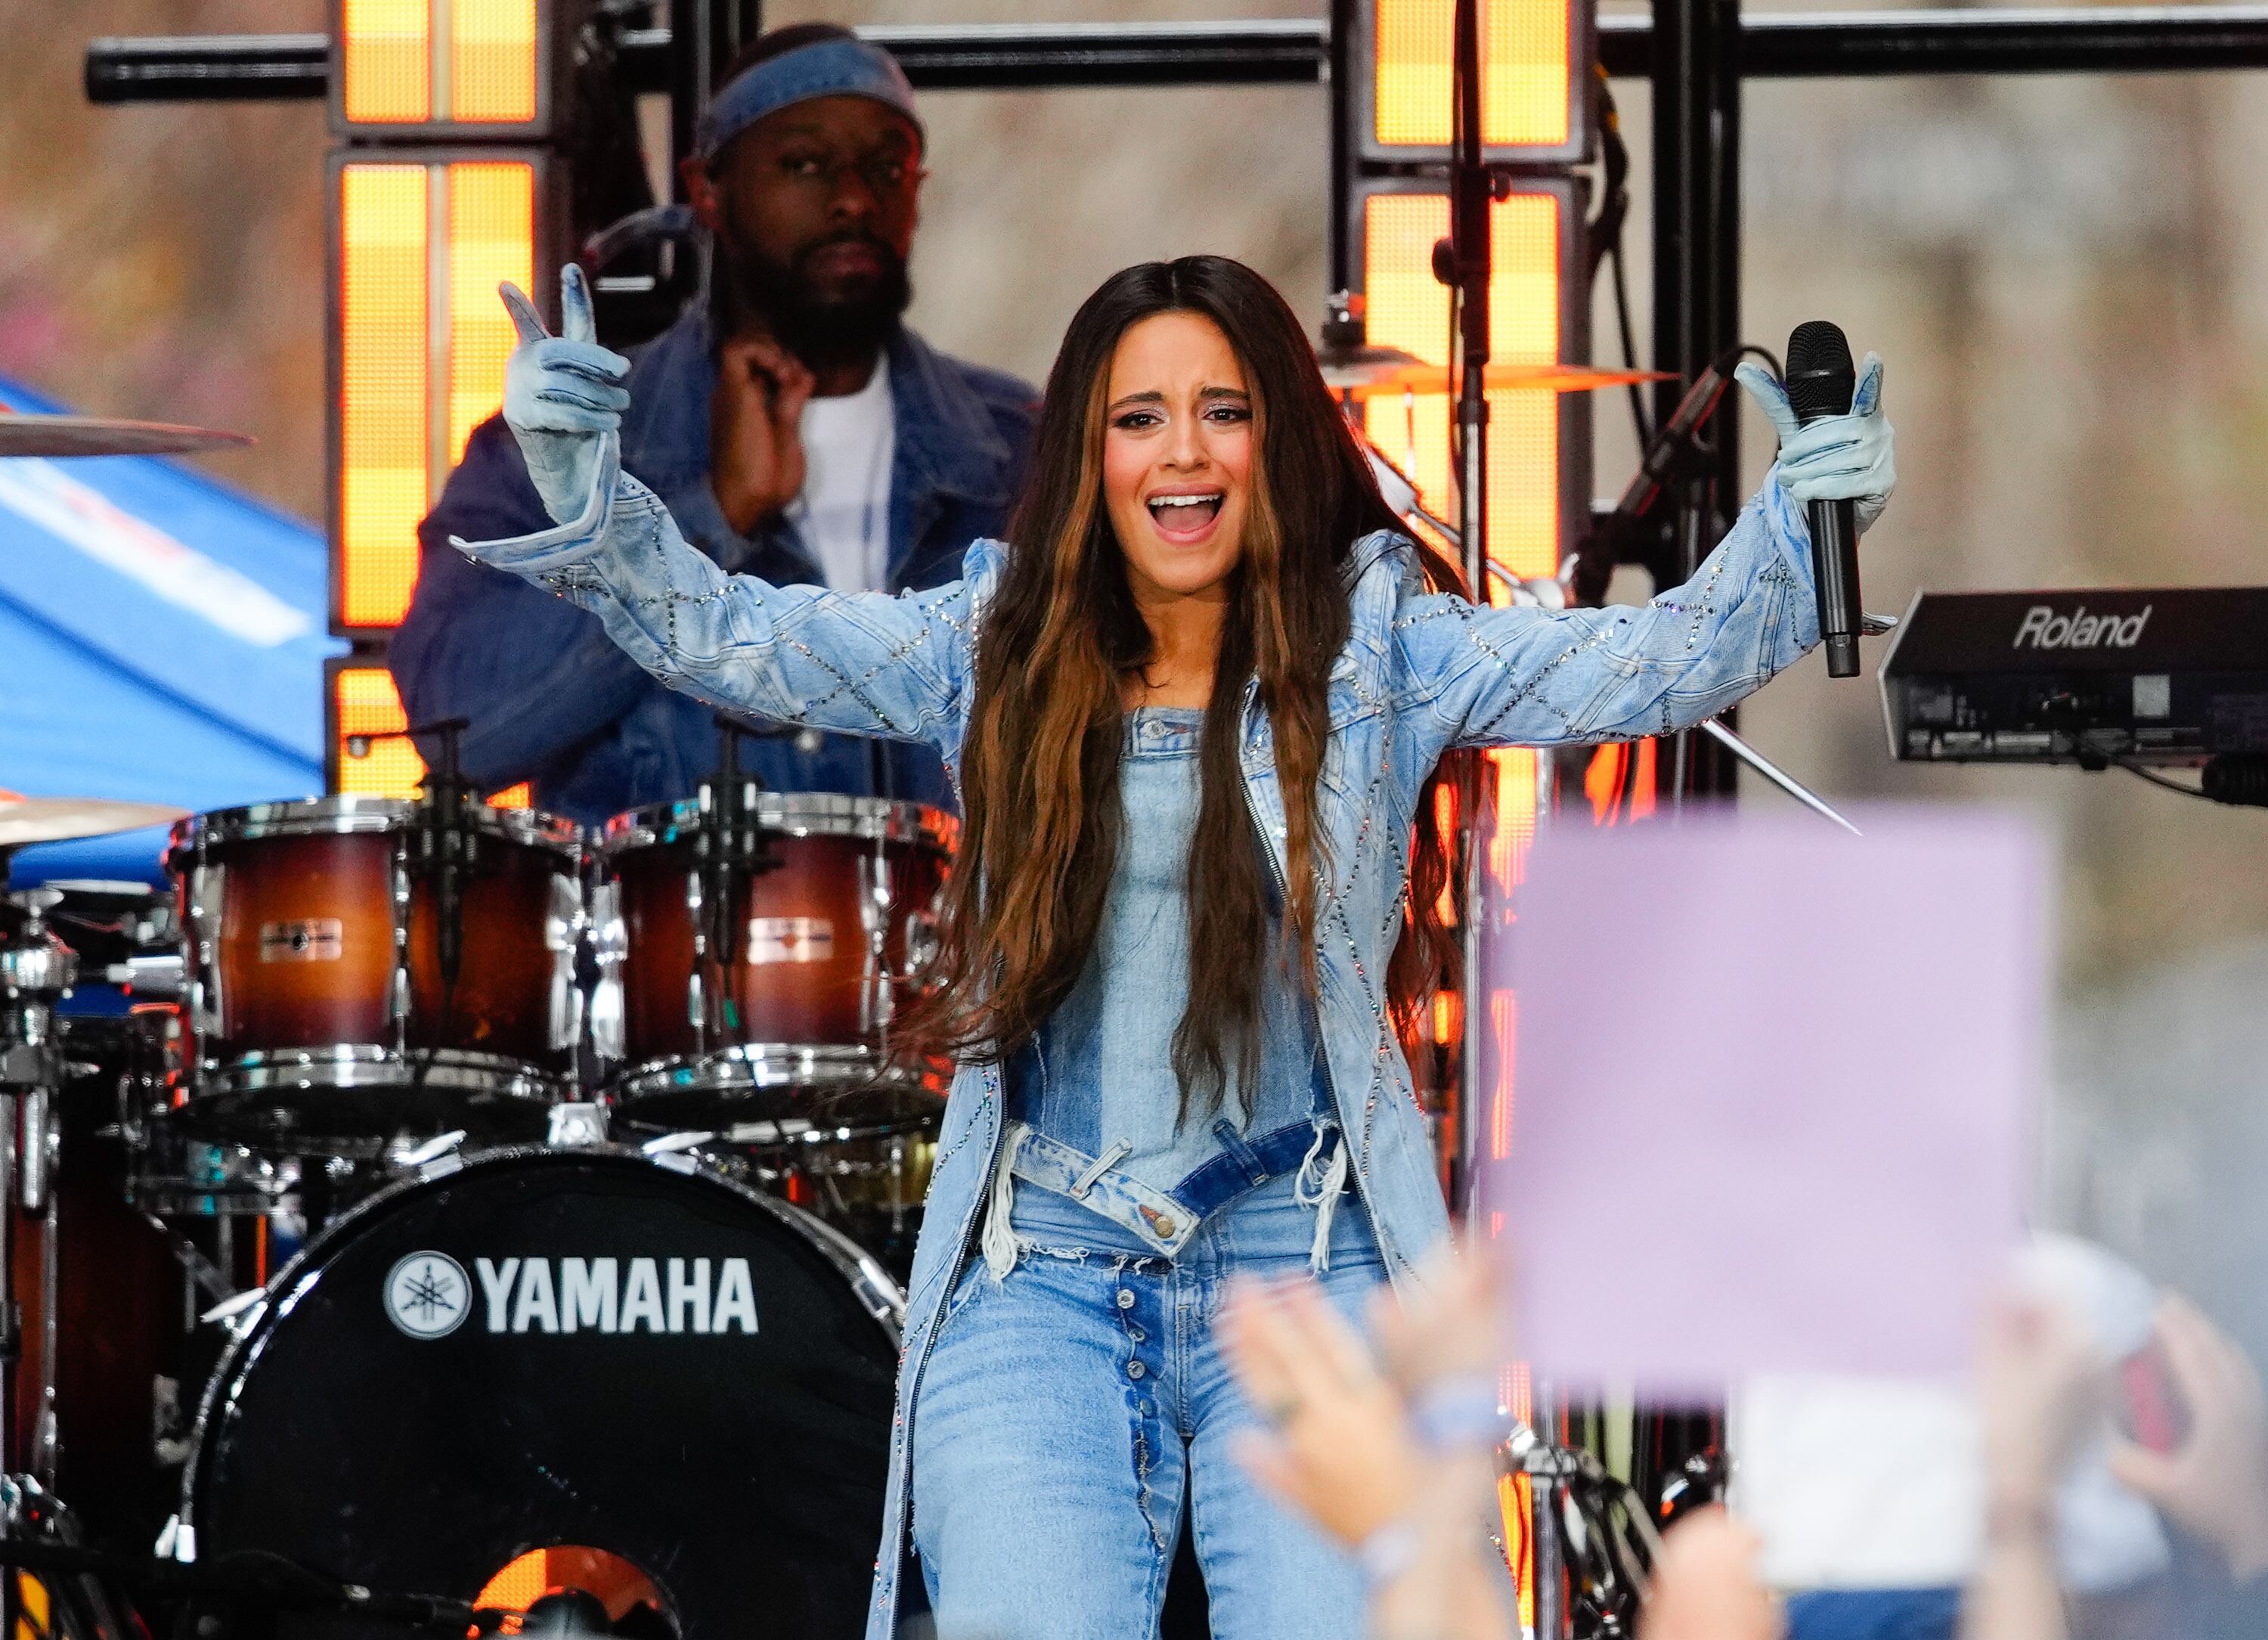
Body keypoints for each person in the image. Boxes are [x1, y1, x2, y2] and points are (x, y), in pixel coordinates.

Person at [453, 252, 1897, 1639]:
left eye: (1223, 410)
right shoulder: (994, 642)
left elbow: (1650, 663)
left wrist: (1794, 525)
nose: (1181, 452)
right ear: (1089, 451)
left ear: (1278, 435)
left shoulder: (1380, 651)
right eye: (1139, 417)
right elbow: (733, 637)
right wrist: (594, 494)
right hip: (1043, 1270)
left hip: (1312, 1261)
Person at [391, 23, 1038, 824]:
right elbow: (460, 729)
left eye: (888, 166)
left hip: (956, 946)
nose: (854, 198)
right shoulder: (566, 442)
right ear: (707, 191)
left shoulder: (1026, 450)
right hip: (663, 951)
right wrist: (709, 518)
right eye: (804, 164)